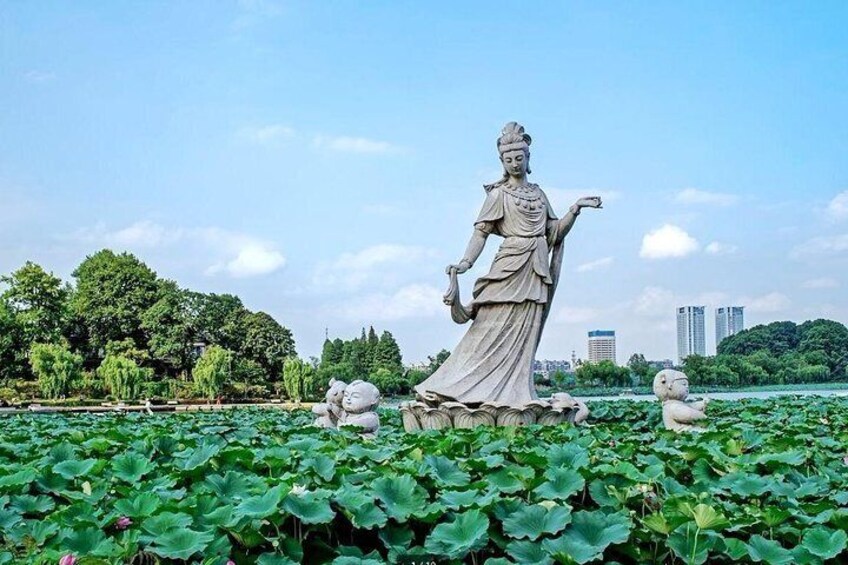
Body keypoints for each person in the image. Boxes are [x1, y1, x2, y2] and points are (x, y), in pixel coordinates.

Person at [414, 122, 601, 406]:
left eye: (519, 158)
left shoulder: (538, 194)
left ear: (528, 159)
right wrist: (466, 262)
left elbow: (553, 233)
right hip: (509, 264)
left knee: (523, 332)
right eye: (508, 159)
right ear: (502, 162)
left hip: (535, 268)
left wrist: (575, 209)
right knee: (488, 326)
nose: (515, 163)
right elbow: (481, 232)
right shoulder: (498, 194)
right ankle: (451, 386)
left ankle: (514, 395)